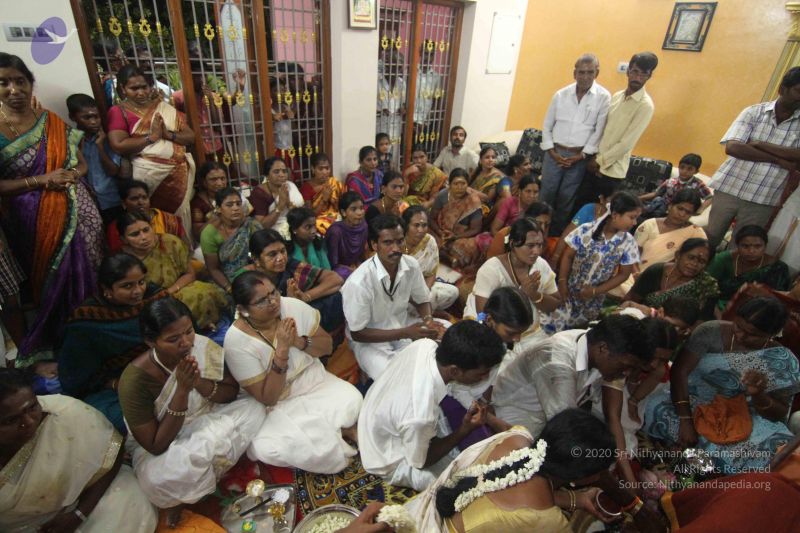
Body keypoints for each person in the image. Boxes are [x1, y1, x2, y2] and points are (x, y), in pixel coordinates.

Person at [119, 298, 265, 526]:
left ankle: (206, 471)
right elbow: (155, 445)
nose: (186, 342)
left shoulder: (201, 346)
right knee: (156, 479)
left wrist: (199, 383)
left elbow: (230, 392)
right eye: (173, 339)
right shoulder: (134, 381)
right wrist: (182, 391)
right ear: (150, 342)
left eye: (188, 331)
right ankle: (205, 473)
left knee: (255, 407)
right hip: (169, 443)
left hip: (210, 414)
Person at [0, 53, 103, 358]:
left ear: (30, 83)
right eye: (3, 83)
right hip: (32, 216)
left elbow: (81, 165)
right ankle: (66, 335)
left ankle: (96, 324)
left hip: (77, 204)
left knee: (92, 262)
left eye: (20, 81)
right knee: (55, 275)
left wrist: (72, 175)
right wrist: (42, 180)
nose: (14, 89)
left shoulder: (51, 121)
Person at [408, 410, 642, 533]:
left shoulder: (515, 437)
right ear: (583, 478)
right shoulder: (549, 522)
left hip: (419, 514)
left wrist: (576, 500)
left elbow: (510, 488)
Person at [224, 270, 362, 473]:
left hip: (313, 380)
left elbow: (327, 347)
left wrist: (297, 341)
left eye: (273, 292)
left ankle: (336, 434)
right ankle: (342, 432)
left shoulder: (291, 306)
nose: (273, 302)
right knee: (267, 448)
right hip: (278, 403)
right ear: (242, 309)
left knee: (353, 400)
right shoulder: (236, 341)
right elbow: (268, 398)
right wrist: (282, 351)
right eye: (262, 301)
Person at [644, 296, 800, 473]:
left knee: (780, 455)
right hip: (690, 402)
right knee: (654, 406)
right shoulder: (709, 332)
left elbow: (779, 414)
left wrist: (759, 395)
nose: (740, 335)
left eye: (752, 334)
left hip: (745, 416)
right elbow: (679, 372)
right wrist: (685, 420)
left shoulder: (783, 361)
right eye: (738, 326)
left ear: (771, 334)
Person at [0, 368, 158, 532]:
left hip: (93, 496)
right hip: (28, 526)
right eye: (11, 420)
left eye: (32, 407)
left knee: (127, 509)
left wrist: (78, 514)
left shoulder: (67, 413)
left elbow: (112, 455)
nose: (29, 422)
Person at [358, 320, 507, 490]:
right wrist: (464, 430)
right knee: (460, 485)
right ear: (455, 371)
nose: (484, 378)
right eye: (481, 374)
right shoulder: (420, 415)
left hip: (375, 410)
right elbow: (422, 462)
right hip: (386, 456)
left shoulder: (425, 345)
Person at [492, 314, 653, 439]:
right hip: (513, 416)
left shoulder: (593, 344)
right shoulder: (558, 362)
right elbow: (566, 425)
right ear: (603, 349)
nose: (626, 373)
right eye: (625, 366)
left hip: (545, 418)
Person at [58, 254, 167, 432]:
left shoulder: (155, 298)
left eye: (141, 282)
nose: (138, 291)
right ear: (107, 289)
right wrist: (119, 384)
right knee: (133, 420)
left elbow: (182, 331)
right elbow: (77, 375)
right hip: (113, 386)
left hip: (166, 369)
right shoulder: (87, 321)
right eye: (127, 286)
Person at [705, 67, 800, 251]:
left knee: (741, 250)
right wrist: (778, 160)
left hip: (764, 198)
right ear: (783, 89)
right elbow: (733, 148)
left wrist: (760, 144)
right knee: (708, 240)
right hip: (730, 188)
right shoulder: (754, 112)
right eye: (798, 91)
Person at [341, 214, 446, 380]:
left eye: (400, 241)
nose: (396, 248)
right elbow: (358, 333)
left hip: (401, 326)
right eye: (388, 242)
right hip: (369, 342)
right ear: (374, 245)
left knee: (436, 355)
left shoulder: (411, 265)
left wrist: (428, 320)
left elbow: (422, 299)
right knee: (393, 377)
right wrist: (405, 333)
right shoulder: (359, 282)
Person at [107, 64, 196, 237]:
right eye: (134, 88)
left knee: (178, 217)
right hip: (148, 174)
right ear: (123, 89)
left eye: (144, 87)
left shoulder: (163, 107)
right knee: (153, 217)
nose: (141, 92)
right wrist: (151, 137)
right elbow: (118, 145)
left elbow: (190, 137)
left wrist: (167, 135)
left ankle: (181, 247)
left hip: (178, 171)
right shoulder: (118, 111)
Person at [597, 318, 679, 488]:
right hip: (604, 431)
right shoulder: (618, 365)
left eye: (663, 360)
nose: (655, 364)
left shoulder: (659, 373)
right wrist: (630, 480)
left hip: (625, 440)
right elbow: (613, 418)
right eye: (654, 357)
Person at [546, 192, 642, 332]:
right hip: (569, 291)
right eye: (632, 217)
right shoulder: (586, 230)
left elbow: (624, 275)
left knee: (577, 331)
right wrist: (562, 282)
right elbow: (568, 256)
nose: (634, 223)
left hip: (593, 301)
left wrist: (596, 291)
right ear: (615, 215)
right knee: (553, 326)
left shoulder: (628, 242)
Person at [464, 218, 561, 354]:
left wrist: (534, 295)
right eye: (530, 245)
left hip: (526, 331)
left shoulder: (540, 265)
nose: (536, 251)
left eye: (540, 245)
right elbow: (482, 314)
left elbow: (554, 304)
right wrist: (485, 331)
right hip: (495, 330)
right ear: (513, 244)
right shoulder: (492, 269)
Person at [118, 211, 228, 329]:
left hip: (177, 290)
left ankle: (201, 326)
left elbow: (190, 274)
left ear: (152, 227)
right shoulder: (122, 260)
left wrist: (169, 292)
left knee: (203, 292)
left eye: (146, 230)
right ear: (124, 239)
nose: (143, 237)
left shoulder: (169, 242)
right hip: (150, 303)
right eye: (135, 234)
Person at [540, 53, 611, 236]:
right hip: (554, 153)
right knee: (546, 194)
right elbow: (547, 126)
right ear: (575, 73)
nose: (585, 76)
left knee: (566, 198)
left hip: (579, 157)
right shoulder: (561, 95)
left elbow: (599, 131)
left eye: (590, 72)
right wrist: (553, 153)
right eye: (581, 72)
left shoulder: (603, 97)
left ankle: (555, 236)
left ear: (597, 73)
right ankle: (537, 231)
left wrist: (581, 156)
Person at [583, 52, 658, 201]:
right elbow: (602, 128)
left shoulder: (645, 105)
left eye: (643, 74)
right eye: (635, 71)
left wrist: (600, 162)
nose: (638, 78)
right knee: (580, 206)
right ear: (628, 71)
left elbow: (627, 143)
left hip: (611, 171)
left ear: (649, 76)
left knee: (598, 210)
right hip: (594, 162)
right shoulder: (617, 96)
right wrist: (593, 157)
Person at [243, 229, 344, 334]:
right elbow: (257, 316)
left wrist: (305, 297)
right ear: (256, 260)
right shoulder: (247, 279)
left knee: (335, 297)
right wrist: (290, 303)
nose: (281, 258)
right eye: (272, 254)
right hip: (266, 327)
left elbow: (336, 280)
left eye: (283, 251)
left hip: (291, 318)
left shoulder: (289, 264)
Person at [625, 238, 719, 320]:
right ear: (678, 255)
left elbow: (699, 324)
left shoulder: (706, 286)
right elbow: (631, 299)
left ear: (707, 265)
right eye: (691, 258)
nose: (694, 264)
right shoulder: (656, 271)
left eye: (702, 261)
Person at [67, 93, 123, 225]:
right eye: (86, 117)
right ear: (73, 117)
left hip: (111, 200)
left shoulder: (109, 139)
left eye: (96, 117)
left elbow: (113, 171)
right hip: (86, 203)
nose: (93, 122)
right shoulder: (69, 141)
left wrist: (100, 146)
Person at [707, 224, 791, 311]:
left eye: (757, 246)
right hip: (715, 307)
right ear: (737, 246)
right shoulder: (722, 260)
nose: (751, 251)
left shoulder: (778, 268)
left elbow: (779, 301)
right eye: (745, 246)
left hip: (757, 313)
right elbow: (705, 288)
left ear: (765, 246)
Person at [200, 187, 263, 290]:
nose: (235, 208)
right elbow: (213, 269)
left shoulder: (252, 225)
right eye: (229, 205)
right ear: (218, 208)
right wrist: (229, 288)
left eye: (238, 204)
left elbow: (262, 253)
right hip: (224, 279)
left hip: (254, 271)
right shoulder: (209, 233)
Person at [633, 188, 708, 272]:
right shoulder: (649, 225)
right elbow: (631, 255)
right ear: (670, 206)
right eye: (680, 208)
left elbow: (699, 260)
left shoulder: (695, 233)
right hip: (634, 272)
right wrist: (637, 275)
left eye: (688, 212)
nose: (682, 214)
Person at [402, 206, 459, 313]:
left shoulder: (429, 241)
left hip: (420, 288)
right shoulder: (396, 243)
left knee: (453, 292)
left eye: (424, 225)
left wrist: (424, 293)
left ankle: (422, 312)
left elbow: (431, 274)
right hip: (400, 293)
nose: (420, 230)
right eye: (416, 225)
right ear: (406, 226)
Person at [107, 179, 188, 253]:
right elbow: (119, 255)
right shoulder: (116, 228)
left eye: (144, 197)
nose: (141, 202)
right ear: (124, 204)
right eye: (134, 198)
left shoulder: (170, 220)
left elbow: (186, 247)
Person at [429, 168, 484, 271]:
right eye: (456, 184)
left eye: (463, 184)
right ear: (449, 185)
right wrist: (439, 232)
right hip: (440, 232)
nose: (460, 187)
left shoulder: (473, 201)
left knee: (470, 246)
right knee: (424, 235)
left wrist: (455, 237)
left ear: (468, 185)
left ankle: (442, 253)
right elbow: (431, 218)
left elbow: (476, 229)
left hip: (459, 236)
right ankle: (448, 257)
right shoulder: (443, 195)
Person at [639, 153, 712, 220]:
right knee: (658, 200)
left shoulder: (698, 184)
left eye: (689, 169)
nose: (684, 171)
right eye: (682, 167)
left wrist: (700, 210)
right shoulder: (671, 181)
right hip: (662, 207)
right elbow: (656, 193)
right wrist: (639, 198)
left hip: (677, 211)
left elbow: (710, 198)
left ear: (696, 171)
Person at [250, 156, 304, 239]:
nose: (281, 175)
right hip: (271, 234)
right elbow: (261, 226)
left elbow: (301, 211)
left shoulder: (290, 185)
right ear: (267, 175)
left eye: (284, 171)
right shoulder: (259, 193)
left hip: (294, 226)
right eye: (276, 172)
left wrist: (288, 203)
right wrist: (280, 206)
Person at [486, 202, 556, 260]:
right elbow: (492, 263)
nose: (543, 228)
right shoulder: (505, 235)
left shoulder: (543, 244)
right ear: (528, 220)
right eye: (539, 223)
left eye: (547, 225)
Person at [325, 191, 368, 280]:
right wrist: (354, 271)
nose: (359, 213)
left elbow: (361, 256)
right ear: (343, 212)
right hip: (338, 270)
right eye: (353, 209)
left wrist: (360, 268)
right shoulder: (335, 231)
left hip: (354, 266)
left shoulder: (364, 226)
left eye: (361, 208)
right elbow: (333, 264)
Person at [299, 152, 344, 235]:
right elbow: (309, 215)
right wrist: (324, 199)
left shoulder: (334, 183)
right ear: (313, 169)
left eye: (327, 168)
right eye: (320, 169)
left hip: (336, 216)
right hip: (318, 220)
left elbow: (343, 205)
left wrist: (333, 201)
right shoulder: (306, 188)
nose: (324, 172)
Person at [190, 161, 227, 242]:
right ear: (204, 182)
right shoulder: (198, 203)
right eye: (213, 179)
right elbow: (198, 235)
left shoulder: (233, 195)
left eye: (222, 178)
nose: (220, 183)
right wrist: (217, 216)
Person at [404, 144, 447, 208]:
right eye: (415, 158)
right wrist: (405, 175)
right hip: (408, 203)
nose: (419, 161)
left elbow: (434, 198)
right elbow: (402, 194)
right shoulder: (409, 170)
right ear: (412, 159)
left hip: (426, 205)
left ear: (427, 157)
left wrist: (426, 204)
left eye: (422, 157)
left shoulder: (436, 174)